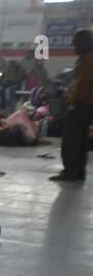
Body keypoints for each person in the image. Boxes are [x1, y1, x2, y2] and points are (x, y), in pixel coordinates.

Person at [53, 27, 92, 183]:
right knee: (81, 141)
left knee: (71, 139)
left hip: (82, 105)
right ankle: (78, 171)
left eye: (76, 44)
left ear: (85, 43)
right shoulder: (87, 58)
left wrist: (71, 100)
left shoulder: (89, 59)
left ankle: (71, 171)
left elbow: (83, 85)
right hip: (87, 104)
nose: (74, 48)